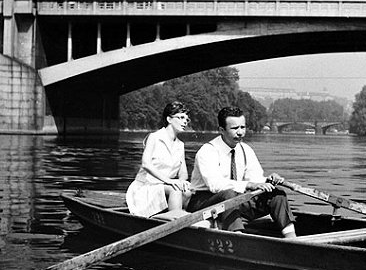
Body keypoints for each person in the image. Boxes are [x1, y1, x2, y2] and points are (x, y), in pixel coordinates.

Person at [188, 106, 296, 238]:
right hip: (204, 201)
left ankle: (291, 238)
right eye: (234, 128)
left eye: (242, 127)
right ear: (221, 130)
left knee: (277, 194)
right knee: (229, 195)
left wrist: (268, 180)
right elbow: (215, 185)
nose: (240, 133)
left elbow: (255, 178)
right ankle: (238, 239)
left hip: (235, 199)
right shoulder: (208, 151)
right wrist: (249, 185)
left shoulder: (246, 149)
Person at [126, 101, 192, 218]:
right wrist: (169, 181)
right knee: (175, 190)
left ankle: (173, 217)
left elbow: (183, 173)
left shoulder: (180, 145)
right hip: (145, 187)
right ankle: (172, 220)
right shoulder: (154, 137)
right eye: (181, 117)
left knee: (187, 192)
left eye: (186, 120)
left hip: (163, 186)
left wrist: (182, 181)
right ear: (169, 119)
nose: (185, 122)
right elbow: (146, 164)